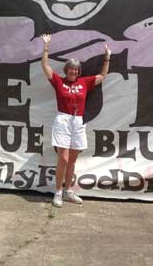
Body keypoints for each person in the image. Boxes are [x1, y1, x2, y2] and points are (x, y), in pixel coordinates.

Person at [40, 34, 111, 207]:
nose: (74, 71)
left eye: (77, 70)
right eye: (71, 69)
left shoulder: (84, 82)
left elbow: (102, 76)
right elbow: (45, 66)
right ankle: (57, 192)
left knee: (72, 159)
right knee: (63, 159)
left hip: (78, 121)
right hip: (62, 120)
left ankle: (68, 191)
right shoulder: (59, 81)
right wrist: (46, 47)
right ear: (67, 70)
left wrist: (107, 57)